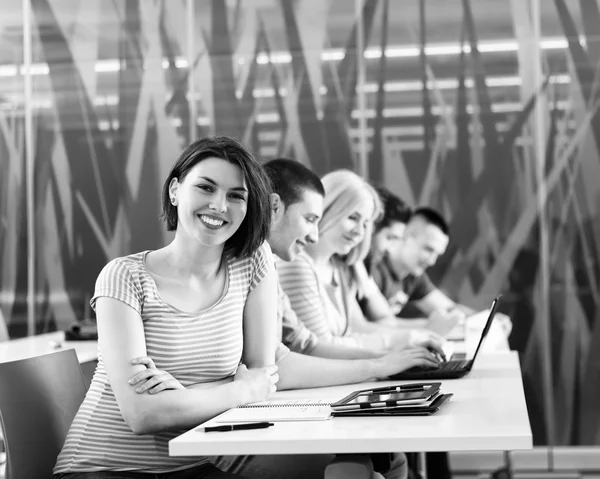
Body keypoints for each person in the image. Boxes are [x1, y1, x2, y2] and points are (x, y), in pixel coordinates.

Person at [130, 159, 442, 479]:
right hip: (191, 444)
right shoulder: (251, 265)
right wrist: (380, 363)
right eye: (310, 219)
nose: (313, 234)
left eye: (236, 196)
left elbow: (286, 355)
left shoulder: (258, 266)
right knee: (367, 465)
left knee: (376, 461)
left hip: (221, 422)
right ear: (275, 208)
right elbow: (279, 364)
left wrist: (385, 361)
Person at [53, 137, 279, 478]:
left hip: (198, 463)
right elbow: (142, 415)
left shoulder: (252, 262)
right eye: (206, 188)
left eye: (236, 195)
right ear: (175, 191)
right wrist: (239, 389)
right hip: (102, 467)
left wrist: (183, 396)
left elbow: (263, 376)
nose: (219, 205)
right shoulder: (124, 276)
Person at [277, 169, 442, 351]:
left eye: (365, 223)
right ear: (326, 209)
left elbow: (351, 335)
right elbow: (320, 349)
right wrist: (398, 344)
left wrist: (406, 342)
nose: (359, 232)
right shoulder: (297, 264)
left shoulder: (338, 267)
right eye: (353, 218)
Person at [371, 206, 511, 336]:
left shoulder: (413, 276)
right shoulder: (373, 269)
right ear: (406, 235)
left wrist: (488, 321)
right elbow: (373, 325)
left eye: (437, 254)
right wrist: (428, 326)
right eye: (428, 249)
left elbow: (450, 310)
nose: (431, 261)